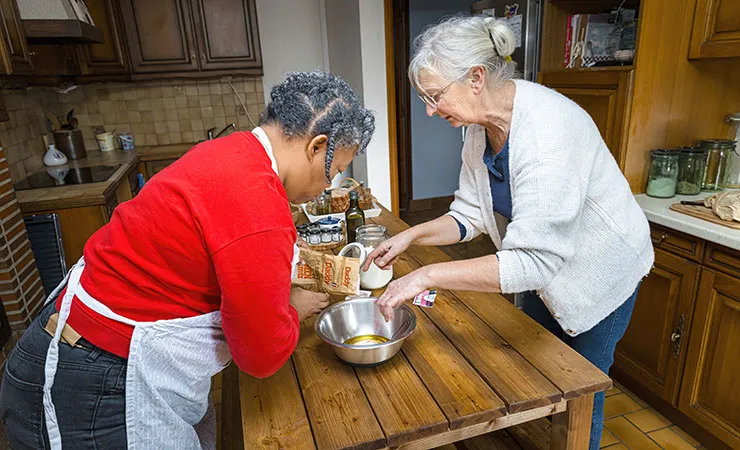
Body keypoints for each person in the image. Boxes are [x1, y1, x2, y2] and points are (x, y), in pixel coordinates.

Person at [0, 71, 375, 450]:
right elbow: (260, 356)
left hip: (76, 347)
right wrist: (292, 309)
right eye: (336, 170)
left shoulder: (232, 151)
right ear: (316, 146)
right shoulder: (256, 200)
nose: (330, 184)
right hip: (92, 380)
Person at [363, 16, 652, 450]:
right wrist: (411, 235)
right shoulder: (480, 131)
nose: (429, 109)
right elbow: (469, 215)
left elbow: (533, 262)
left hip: (599, 276)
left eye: (434, 95)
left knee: (578, 396)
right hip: (545, 272)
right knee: (539, 375)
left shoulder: (548, 129)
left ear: (476, 78)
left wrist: (424, 276)